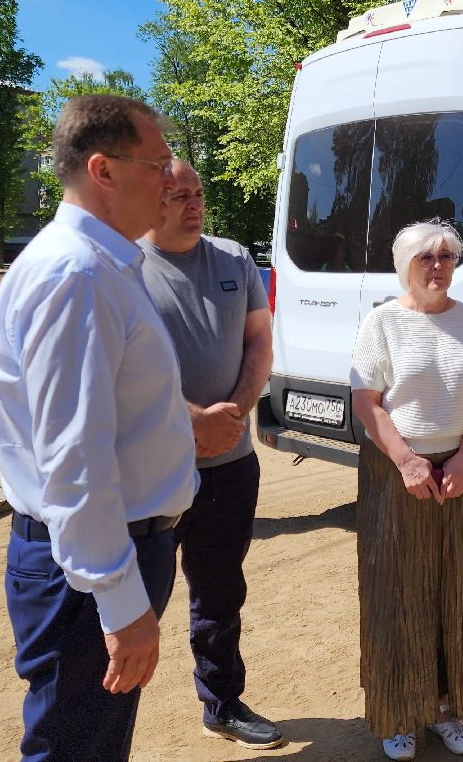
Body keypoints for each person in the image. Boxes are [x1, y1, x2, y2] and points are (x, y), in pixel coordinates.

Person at [0, 95, 197, 761]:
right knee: (74, 749)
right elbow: (74, 459)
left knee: (91, 743)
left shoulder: (102, 265)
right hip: (89, 570)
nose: (171, 180)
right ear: (102, 170)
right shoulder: (75, 273)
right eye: (157, 164)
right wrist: (120, 599)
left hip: (102, 559)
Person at [349, 220, 463, 760]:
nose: (438, 265)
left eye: (447, 256)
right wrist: (406, 461)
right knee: (397, 592)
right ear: (405, 264)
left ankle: (445, 706)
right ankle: (400, 713)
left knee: (456, 589)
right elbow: (367, 402)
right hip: (396, 473)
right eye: (427, 257)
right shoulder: (382, 322)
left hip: (458, 472)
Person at [137, 161, 284, 750]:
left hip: (229, 466)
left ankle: (221, 702)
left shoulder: (233, 260)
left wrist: (237, 411)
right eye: (178, 196)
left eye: (198, 194)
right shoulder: (122, 267)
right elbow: (113, 372)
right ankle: (103, 714)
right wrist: (186, 424)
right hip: (150, 470)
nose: (194, 205)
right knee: (132, 596)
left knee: (219, 592)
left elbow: (259, 340)